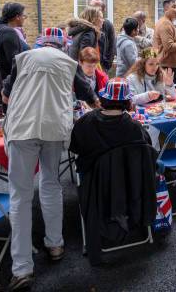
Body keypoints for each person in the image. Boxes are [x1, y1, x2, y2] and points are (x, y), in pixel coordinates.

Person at [2, 28, 98, 291]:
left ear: (41, 43)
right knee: (50, 183)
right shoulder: (69, 62)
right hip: (54, 127)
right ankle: (55, 244)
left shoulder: (23, 57)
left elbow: (6, 96)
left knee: (20, 196)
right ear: (62, 45)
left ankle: (21, 268)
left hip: (23, 128)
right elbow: (89, 96)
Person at [69, 77, 157, 265]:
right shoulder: (134, 126)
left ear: (104, 98)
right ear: (127, 101)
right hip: (130, 184)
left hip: (96, 185)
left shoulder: (86, 122)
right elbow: (146, 152)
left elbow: (75, 148)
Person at [0, 2, 29, 117]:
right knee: (7, 112)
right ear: (17, 17)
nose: (24, 19)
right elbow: (14, 61)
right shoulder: (9, 32)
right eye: (24, 16)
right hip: (3, 78)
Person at [154, 0, 176, 88]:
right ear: (166, 9)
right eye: (174, 7)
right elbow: (169, 47)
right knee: (170, 96)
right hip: (169, 66)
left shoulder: (168, 22)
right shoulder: (165, 24)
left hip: (170, 64)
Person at [89, 0, 116, 73]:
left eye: (97, 8)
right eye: (91, 7)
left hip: (103, 66)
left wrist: (107, 65)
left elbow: (112, 46)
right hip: (88, 67)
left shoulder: (107, 25)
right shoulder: (83, 25)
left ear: (103, 10)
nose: (94, 10)